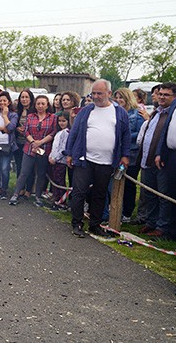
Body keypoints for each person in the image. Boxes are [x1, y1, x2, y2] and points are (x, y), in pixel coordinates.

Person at [65, 79, 131, 238]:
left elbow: (126, 135)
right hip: (84, 159)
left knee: (99, 194)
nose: (95, 96)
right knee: (79, 192)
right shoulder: (87, 111)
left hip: (107, 161)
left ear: (109, 93)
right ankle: (77, 223)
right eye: (93, 93)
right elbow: (74, 133)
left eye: (99, 93)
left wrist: (125, 155)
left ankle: (95, 224)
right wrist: (69, 153)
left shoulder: (119, 112)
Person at [136, 82, 176, 237]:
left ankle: (162, 226)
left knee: (163, 196)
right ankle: (150, 222)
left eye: (166, 95)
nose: (161, 97)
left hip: (162, 163)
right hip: (147, 160)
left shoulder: (172, 114)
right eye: (160, 94)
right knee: (149, 194)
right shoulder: (155, 113)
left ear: (175, 97)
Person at [9, 95, 56, 207]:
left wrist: (40, 142)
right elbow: (25, 131)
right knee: (24, 172)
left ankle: (38, 197)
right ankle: (15, 194)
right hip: (29, 148)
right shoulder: (30, 117)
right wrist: (33, 142)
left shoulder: (53, 117)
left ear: (47, 105)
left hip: (44, 149)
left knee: (40, 174)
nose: (40, 106)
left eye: (43, 104)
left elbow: (53, 132)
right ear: (35, 105)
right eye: (38, 104)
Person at [113, 88, 145, 222]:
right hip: (116, 152)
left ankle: (127, 212)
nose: (119, 100)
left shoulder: (137, 114)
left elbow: (140, 133)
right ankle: (115, 210)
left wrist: (123, 136)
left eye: (122, 98)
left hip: (131, 153)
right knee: (117, 182)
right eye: (117, 98)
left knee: (129, 184)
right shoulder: (115, 113)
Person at [154, 96, 176, 240]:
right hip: (172, 155)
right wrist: (159, 152)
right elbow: (166, 130)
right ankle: (172, 232)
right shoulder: (175, 103)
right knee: (172, 194)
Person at [13, 89, 35, 199]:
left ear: (31, 99)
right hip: (18, 142)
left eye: (26, 97)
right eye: (22, 97)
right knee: (19, 165)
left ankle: (29, 189)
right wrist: (17, 128)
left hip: (30, 143)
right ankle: (20, 188)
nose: (24, 99)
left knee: (29, 168)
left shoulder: (34, 112)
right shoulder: (17, 112)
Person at [48, 111, 71, 210]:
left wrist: (55, 158)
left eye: (64, 121)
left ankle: (61, 201)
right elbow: (55, 147)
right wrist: (50, 156)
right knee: (54, 179)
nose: (61, 123)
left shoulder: (66, 133)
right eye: (59, 121)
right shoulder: (59, 132)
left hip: (60, 161)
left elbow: (63, 148)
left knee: (59, 181)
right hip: (54, 159)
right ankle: (56, 198)